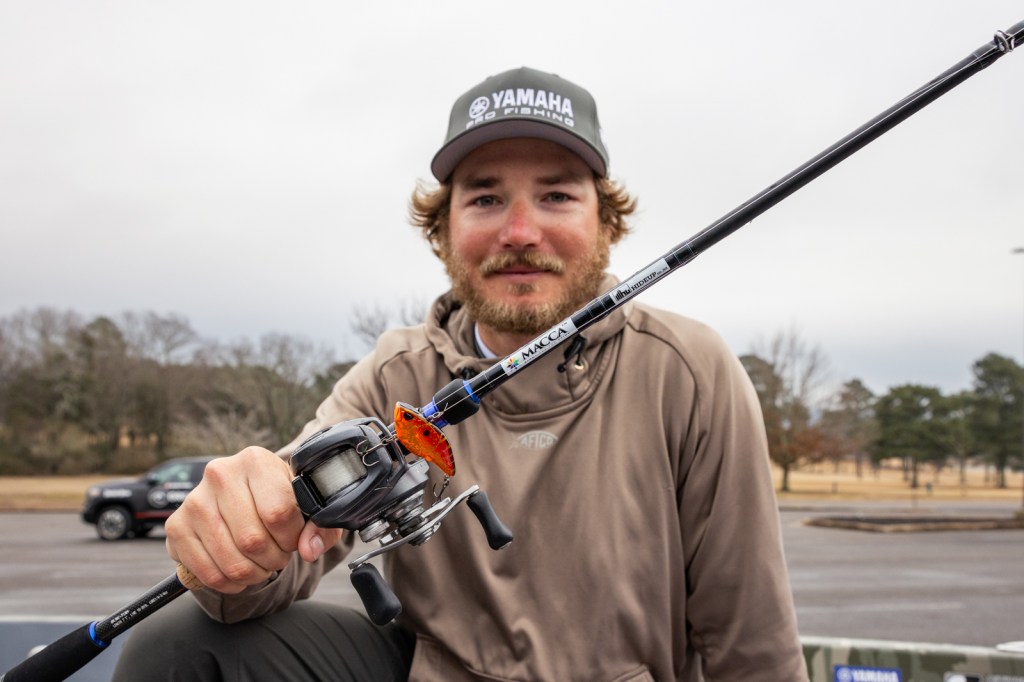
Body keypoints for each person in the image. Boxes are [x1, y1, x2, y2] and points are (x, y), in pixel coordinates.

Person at [114, 66, 809, 681]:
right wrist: (235, 541)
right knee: (178, 642)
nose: (520, 232)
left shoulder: (690, 370)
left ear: (607, 224)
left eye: (557, 195)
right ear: (442, 229)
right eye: (484, 198)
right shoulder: (392, 374)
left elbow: (749, 638)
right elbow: (271, 561)